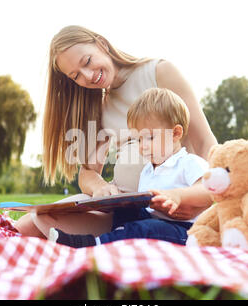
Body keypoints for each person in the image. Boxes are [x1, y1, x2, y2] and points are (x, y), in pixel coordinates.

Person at [14, 25, 217, 238]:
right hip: (122, 208)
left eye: (87, 62)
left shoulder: (159, 72)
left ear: (101, 44)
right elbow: (88, 172)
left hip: (171, 205)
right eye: (76, 76)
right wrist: (100, 188)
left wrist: (201, 200)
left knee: (41, 224)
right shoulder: (101, 105)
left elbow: (206, 143)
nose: (88, 76)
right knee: (30, 223)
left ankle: (94, 244)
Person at [47, 88, 213, 247]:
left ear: (175, 133)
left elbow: (208, 190)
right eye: (138, 140)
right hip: (151, 221)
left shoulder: (188, 162)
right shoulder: (148, 170)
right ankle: (117, 241)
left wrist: (178, 196)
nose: (143, 146)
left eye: (149, 138)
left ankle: (93, 244)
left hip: (183, 231)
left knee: (148, 228)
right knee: (124, 212)